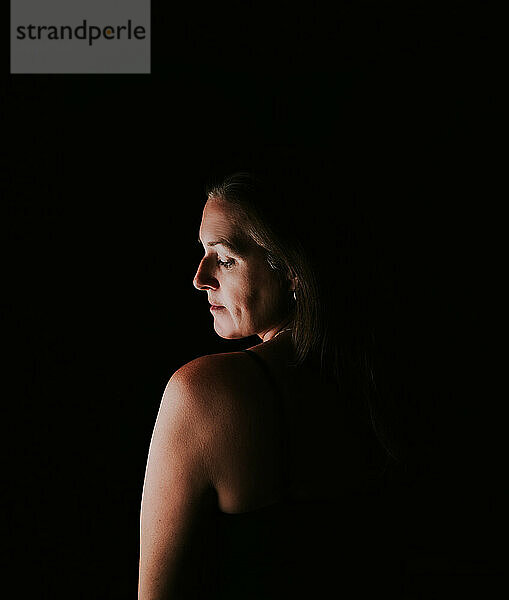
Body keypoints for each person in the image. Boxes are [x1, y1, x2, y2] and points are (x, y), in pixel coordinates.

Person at [138, 171, 403, 599]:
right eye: (203, 253)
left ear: (292, 271)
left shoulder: (205, 392)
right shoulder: (372, 388)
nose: (199, 277)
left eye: (225, 258)